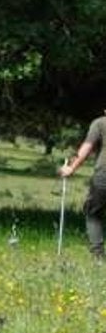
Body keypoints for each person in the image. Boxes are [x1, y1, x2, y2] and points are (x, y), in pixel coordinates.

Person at [59, 110, 106, 259]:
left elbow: (87, 147)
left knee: (92, 213)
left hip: (104, 176)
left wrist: (71, 167)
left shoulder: (100, 123)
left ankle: (98, 256)